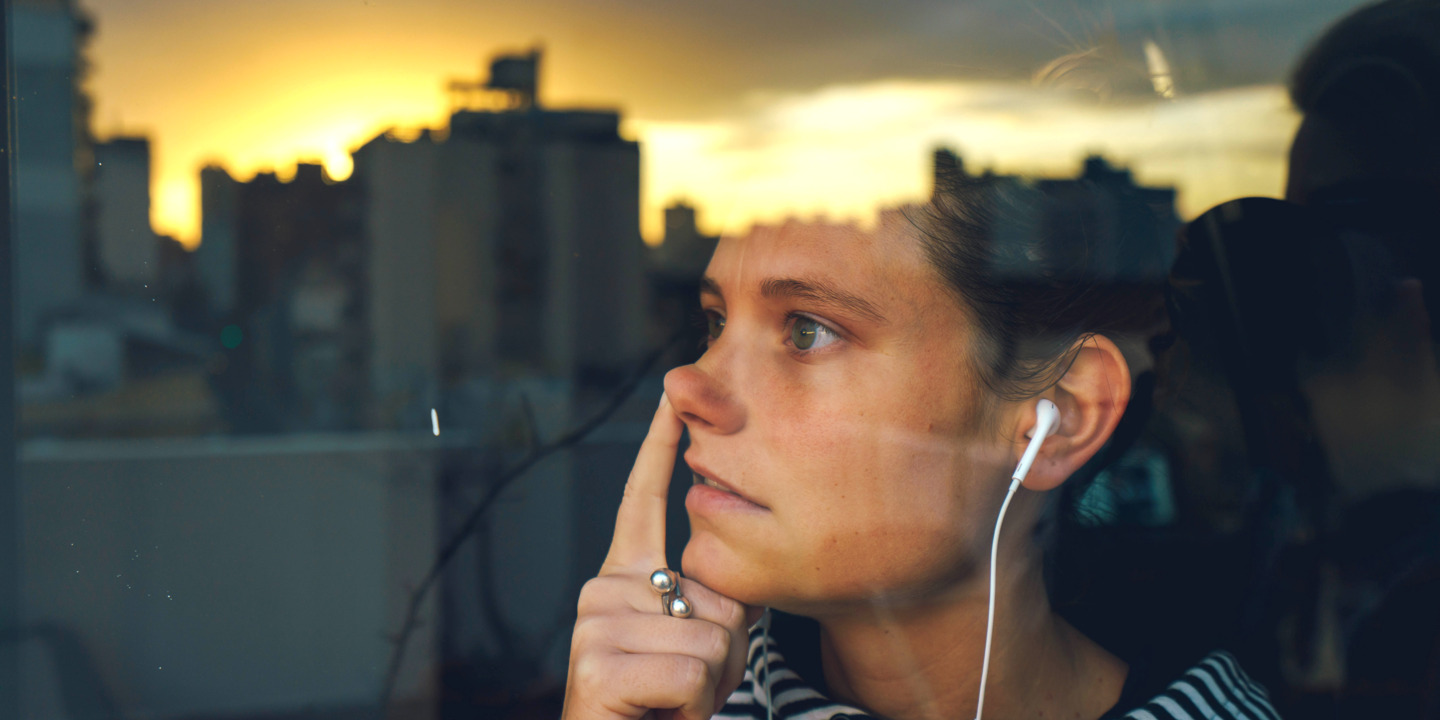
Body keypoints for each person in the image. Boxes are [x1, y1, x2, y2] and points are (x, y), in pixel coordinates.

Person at [560, 171, 1279, 720]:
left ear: (1056, 415)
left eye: (807, 330)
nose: (689, 384)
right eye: (716, 322)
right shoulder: (676, 701)